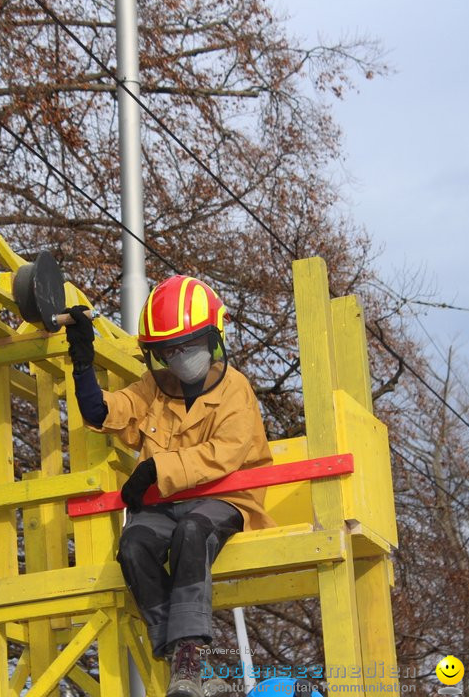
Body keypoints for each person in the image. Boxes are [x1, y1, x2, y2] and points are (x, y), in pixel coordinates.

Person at [64, 275, 276, 697]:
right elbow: (104, 411)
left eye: (188, 345)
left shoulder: (236, 389)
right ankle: (186, 658)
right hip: (164, 504)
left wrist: (156, 469)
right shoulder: (154, 389)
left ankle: (189, 656)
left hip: (224, 497)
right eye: (169, 351)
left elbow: (226, 451)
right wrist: (83, 363)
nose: (180, 358)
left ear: (213, 340)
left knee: (192, 532)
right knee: (134, 545)